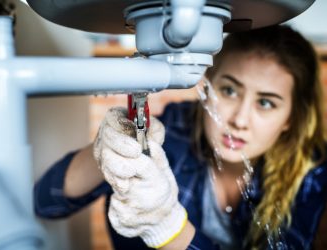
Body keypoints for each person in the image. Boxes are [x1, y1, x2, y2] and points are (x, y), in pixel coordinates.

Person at [34, 25, 327, 249]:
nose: (239, 120)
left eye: (266, 103)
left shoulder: (311, 175)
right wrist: (103, 152)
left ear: (290, 118)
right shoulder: (175, 128)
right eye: (229, 90)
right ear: (208, 86)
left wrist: (168, 227)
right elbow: (45, 202)